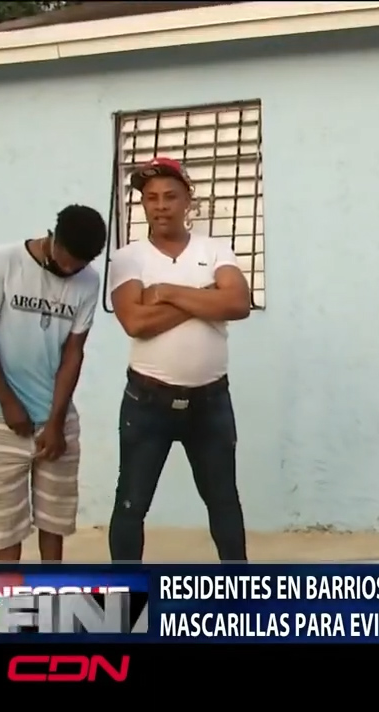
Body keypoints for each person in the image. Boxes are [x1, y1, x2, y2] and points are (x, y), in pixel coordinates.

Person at [107, 157, 252, 563]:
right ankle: (125, 602)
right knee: (132, 504)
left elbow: (238, 302)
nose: (160, 205)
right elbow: (135, 321)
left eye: (171, 196)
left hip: (210, 403)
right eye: (150, 198)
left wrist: (166, 291)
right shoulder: (128, 258)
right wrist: (206, 298)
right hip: (147, 403)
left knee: (224, 501)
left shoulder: (215, 249)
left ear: (189, 200)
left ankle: (242, 601)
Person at [0, 205, 106, 562]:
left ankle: (51, 603)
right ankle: (7, 609)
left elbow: (74, 353)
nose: (73, 269)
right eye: (69, 258)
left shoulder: (89, 281)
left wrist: (57, 422)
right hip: (3, 421)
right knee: (6, 532)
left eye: (83, 263)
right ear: (53, 238)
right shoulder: (5, 262)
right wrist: (9, 402)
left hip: (56, 423)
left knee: (54, 527)